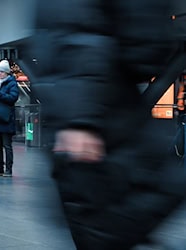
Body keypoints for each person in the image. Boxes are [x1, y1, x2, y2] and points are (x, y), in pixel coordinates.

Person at [31, 0, 186, 249]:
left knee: (117, 213)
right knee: (110, 219)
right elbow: (81, 35)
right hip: (96, 111)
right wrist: (80, 120)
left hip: (101, 106)